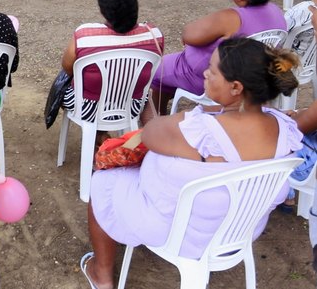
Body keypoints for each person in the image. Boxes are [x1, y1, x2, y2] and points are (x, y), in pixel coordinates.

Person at [82, 37, 302, 289]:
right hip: (239, 229)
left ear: (236, 87)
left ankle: (101, 274)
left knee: (102, 182)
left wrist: (193, 114)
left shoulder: (201, 131)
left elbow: (151, 132)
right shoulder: (284, 127)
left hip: (181, 233)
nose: (205, 73)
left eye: (213, 70)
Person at [151, 0, 287, 115]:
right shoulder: (275, 11)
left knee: (157, 69)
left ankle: (158, 116)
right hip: (256, 75)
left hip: (214, 76)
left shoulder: (232, 17)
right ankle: (168, 97)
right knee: (171, 68)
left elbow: (189, 36)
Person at [60, 0, 163, 124]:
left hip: (86, 108)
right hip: (131, 106)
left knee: (60, 86)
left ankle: (99, 137)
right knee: (147, 97)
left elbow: (67, 67)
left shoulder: (84, 36)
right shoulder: (154, 35)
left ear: (103, 11)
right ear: (135, 6)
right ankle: (149, 139)